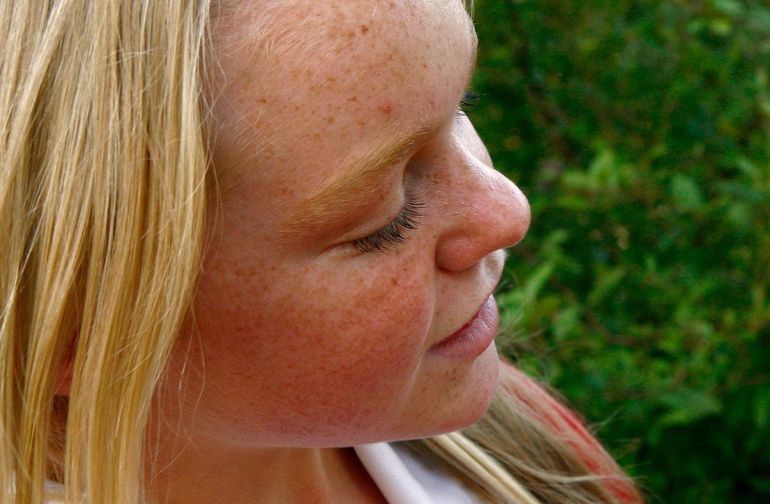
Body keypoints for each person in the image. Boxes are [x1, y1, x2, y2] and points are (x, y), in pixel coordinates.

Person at [0, 0, 649, 502]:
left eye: (460, 108)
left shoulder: (518, 454)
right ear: (68, 338)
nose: (507, 212)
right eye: (383, 221)